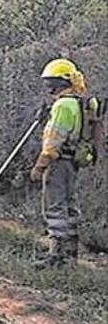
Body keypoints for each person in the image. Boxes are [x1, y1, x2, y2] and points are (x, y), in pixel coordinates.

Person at [29, 58, 98, 267]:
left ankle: (56, 256)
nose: (48, 87)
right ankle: (70, 255)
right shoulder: (86, 102)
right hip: (74, 162)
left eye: (51, 82)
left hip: (58, 163)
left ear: (61, 82)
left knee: (55, 208)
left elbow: (53, 142)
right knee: (70, 206)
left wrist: (40, 166)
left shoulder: (62, 106)